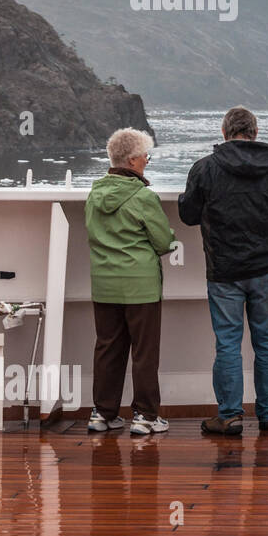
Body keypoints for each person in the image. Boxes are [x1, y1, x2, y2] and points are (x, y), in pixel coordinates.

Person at [178, 106, 268, 436]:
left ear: (224, 133)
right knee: (267, 344)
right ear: (255, 132)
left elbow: (189, 214)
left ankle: (230, 415)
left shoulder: (206, 169)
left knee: (227, 344)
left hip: (224, 270)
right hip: (266, 269)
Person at [85, 128, 175, 436]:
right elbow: (163, 241)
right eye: (146, 157)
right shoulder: (142, 197)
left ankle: (102, 413)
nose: (147, 162)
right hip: (140, 285)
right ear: (134, 161)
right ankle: (145, 416)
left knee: (108, 348)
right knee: (144, 352)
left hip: (104, 283)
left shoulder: (94, 194)